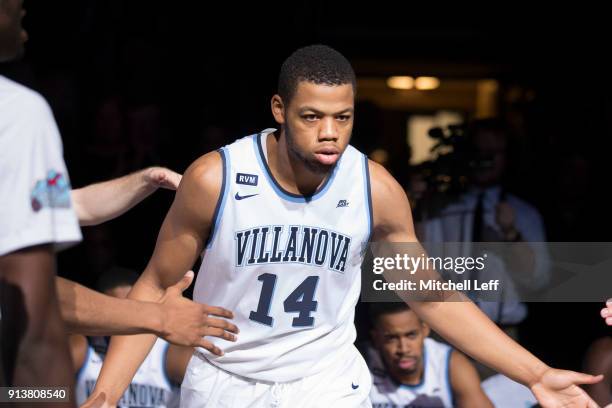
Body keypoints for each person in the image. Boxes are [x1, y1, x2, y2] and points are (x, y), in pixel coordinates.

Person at [88, 45, 602, 408]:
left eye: (343, 118)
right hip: (226, 380)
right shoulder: (215, 178)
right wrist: (105, 396)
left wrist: (535, 374)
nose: (330, 134)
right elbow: (155, 288)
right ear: (279, 110)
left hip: (325, 383)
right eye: (311, 117)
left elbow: (433, 298)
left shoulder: (373, 188)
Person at [71, 267, 193, 408]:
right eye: (118, 310)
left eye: (132, 309)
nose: (126, 319)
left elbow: (209, 389)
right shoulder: (81, 347)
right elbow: (42, 391)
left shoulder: (170, 353)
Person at [366, 302, 493, 407]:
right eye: (391, 338)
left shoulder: (451, 364)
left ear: (425, 330)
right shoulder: (360, 363)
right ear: (376, 338)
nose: (403, 349)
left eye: (411, 335)